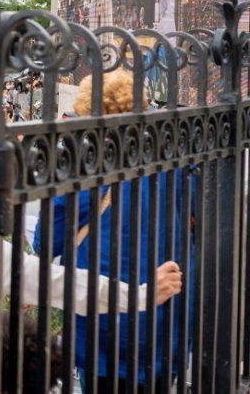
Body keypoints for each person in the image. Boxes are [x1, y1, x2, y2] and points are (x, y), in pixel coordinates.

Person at [35, 69, 191, 392]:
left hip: (103, 327)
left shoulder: (82, 171)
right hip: (166, 321)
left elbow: (45, 242)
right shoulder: (173, 158)